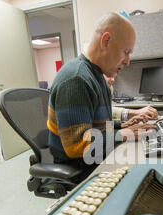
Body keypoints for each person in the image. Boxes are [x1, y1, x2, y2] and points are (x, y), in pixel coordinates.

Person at [47, 12, 155, 175]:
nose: (127, 61)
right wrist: (122, 134)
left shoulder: (98, 76)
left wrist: (123, 125)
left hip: (94, 156)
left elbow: (97, 125)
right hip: (79, 164)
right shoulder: (76, 79)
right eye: (126, 51)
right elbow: (77, 146)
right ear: (106, 41)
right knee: (145, 171)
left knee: (149, 159)